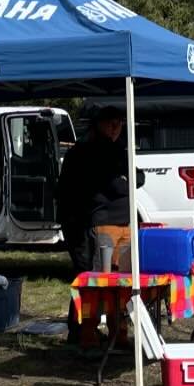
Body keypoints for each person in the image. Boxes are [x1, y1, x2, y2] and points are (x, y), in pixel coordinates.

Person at [56, 106, 130, 278]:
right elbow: (115, 185)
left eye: (119, 124)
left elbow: (138, 177)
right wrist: (123, 180)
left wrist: (126, 179)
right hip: (84, 223)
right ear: (99, 124)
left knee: (115, 276)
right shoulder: (85, 150)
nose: (116, 129)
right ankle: (83, 305)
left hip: (111, 221)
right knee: (92, 277)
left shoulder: (118, 148)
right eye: (111, 124)